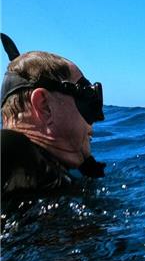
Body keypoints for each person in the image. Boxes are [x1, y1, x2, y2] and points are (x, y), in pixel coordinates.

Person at [1, 47, 107, 196]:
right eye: (87, 97)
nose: (99, 118)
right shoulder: (9, 149)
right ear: (44, 107)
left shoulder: (53, 172)